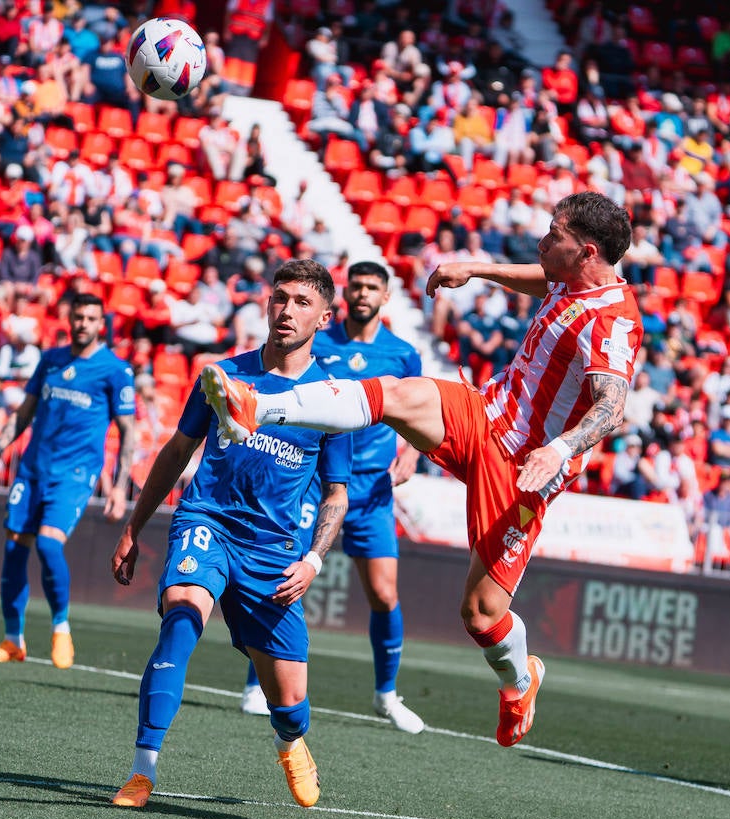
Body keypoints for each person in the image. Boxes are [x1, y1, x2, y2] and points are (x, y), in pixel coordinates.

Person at [200, 192, 640, 747]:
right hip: (485, 412)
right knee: (397, 394)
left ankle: (520, 680)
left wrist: (560, 449)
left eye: (555, 236)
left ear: (588, 252)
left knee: (481, 615)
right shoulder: (569, 277)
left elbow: (611, 407)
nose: (541, 242)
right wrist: (478, 268)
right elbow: (544, 278)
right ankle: (257, 407)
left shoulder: (614, 321)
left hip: (523, 467)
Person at [108, 259, 352, 809]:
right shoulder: (221, 376)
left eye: (302, 302)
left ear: (324, 318)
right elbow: (177, 451)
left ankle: (289, 741)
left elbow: (336, 494)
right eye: (280, 297)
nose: (287, 310)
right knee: (182, 614)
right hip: (207, 520)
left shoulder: (333, 399)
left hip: (274, 550)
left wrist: (313, 560)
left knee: (289, 703)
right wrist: (134, 527)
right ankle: (142, 770)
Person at [236, 261, 425, 732]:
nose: (363, 294)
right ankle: (257, 685)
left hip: (372, 489)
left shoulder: (403, 354)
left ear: (385, 297)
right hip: (312, 484)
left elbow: (416, 410)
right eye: (356, 286)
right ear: (345, 295)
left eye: (372, 288)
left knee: (384, 594)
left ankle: (386, 695)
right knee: (283, 577)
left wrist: (412, 453)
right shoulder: (318, 341)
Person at [0, 296, 136, 670]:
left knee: (47, 543)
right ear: (69, 320)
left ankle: (61, 627)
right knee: (14, 551)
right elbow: (23, 414)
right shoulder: (51, 359)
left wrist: (120, 486)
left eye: (90, 318)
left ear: (101, 325)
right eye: (78, 317)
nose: (83, 323)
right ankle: (13, 641)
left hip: (74, 474)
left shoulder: (115, 370)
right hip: (32, 470)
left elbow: (128, 431)